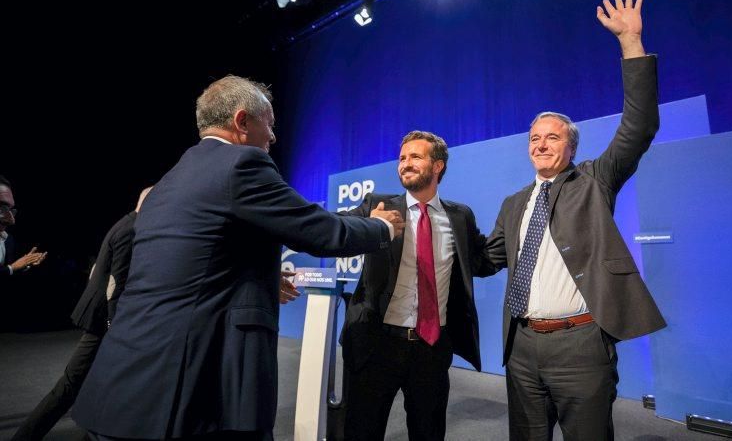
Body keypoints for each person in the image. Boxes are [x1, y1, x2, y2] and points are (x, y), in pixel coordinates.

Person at [71, 75, 404, 441]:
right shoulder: (241, 165)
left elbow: (189, 261)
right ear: (242, 121)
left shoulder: (169, 181)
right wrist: (381, 227)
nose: (274, 137)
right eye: (270, 124)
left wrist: (254, 274)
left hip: (125, 381)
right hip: (192, 386)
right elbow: (323, 232)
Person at [481, 0, 666, 441]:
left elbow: (639, 127)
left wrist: (630, 43)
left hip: (581, 345)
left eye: (551, 137)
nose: (540, 144)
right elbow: (486, 260)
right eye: (533, 138)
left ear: (572, 147)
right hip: (522, 347)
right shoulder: (514, 203)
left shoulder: (594, 181)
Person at [341, 130, 488, 441]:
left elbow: (484, 259)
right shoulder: (376, 206)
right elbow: (335, 231)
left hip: (431, 349)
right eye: (402, 158)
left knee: (428, 433)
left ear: (437, 166)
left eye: (415, 157)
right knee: (361, 432)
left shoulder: (459, 216)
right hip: (376, 344)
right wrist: (370, 226)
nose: (405, 164)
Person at [12, 187, 151, 441]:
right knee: (70, 386)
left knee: (102, 383)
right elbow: (115, 283)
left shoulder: (126, 222)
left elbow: (98, 268)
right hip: (103, 320)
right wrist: (114, 325)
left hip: (99, 315)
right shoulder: (132, 230)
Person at [0, 175, 46, 279]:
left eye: (11, 210)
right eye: (1, 207)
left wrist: (25, 263)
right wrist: (12, 268)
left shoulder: (8, 240)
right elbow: (10, 268)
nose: (11, 221)